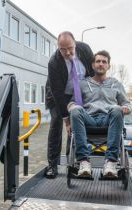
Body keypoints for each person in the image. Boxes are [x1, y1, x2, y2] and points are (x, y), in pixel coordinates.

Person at [68, 50, 131, 178]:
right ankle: (84, 162)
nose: (101, 64)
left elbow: (127, 104)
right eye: (98, 61)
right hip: (89, 119)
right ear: (93, 65)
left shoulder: (116, 84)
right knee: (76, 110)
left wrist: (125, 107)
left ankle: (111, 163)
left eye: (104, 62)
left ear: (108, 66)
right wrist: (72, 106)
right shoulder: (83, 84)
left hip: (108, 120)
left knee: (116, 108)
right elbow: (72, 103)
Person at [45, 31, 94, 179]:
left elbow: (92, 73)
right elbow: (57, 92)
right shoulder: (54, 62)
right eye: (62, 49)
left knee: (75, 126)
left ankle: (71, 163)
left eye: (70, 48)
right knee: (56, 124)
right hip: (57, 96)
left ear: (75, 43)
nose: (67, 52)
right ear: (58, 47)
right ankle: (52, 165)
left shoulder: (85, 50)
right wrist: (65, 119)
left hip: (78, 93)